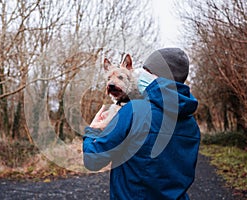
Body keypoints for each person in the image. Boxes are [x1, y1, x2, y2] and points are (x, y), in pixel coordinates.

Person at [83, 48, 200, 200]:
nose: (140, 74)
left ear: (158, 76)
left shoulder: (133, 111)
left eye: (146, 71)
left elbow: (93, 159)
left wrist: (92, 130)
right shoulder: (192, 125)